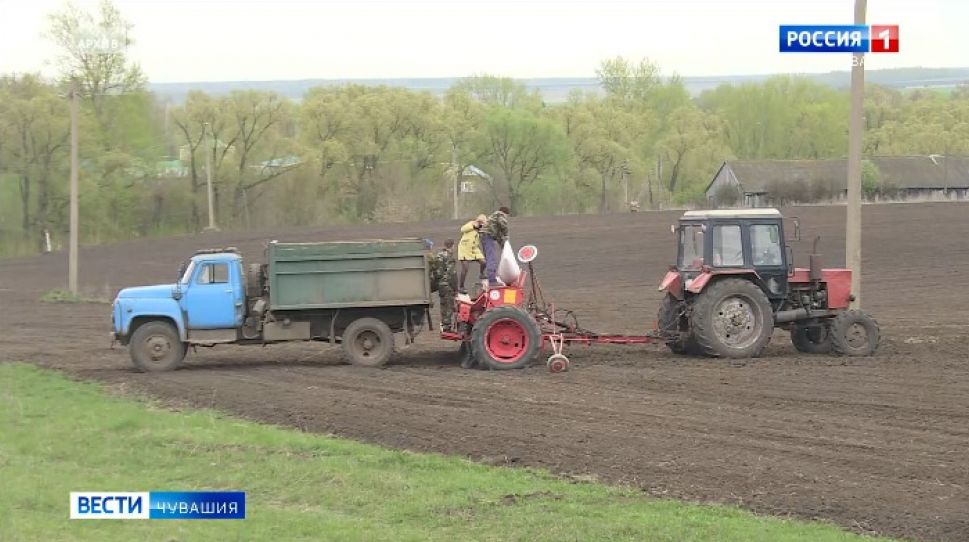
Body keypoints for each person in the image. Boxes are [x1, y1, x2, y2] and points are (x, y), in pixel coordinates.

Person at [480, 206, 510, 288]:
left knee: (488, 257)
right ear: (505, 213)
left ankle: (489, 276)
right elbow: (503, 225)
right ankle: (492, 280)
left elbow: (498, 236)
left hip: (484, 236)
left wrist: (503, 246)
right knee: (491, 258)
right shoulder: (500, 215)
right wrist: (506, 235)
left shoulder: (494, 217)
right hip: (488, 236)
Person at [457, 214, 487, 294]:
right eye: (481, 222)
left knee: (483, 262)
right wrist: (473, 226)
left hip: (474, 249)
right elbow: (462, 229)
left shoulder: (481, 228)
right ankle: (461, 286)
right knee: (465, 268)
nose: (481, 224)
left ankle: (482, 274)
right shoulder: (471, 224)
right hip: (465, 248)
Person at [433, 239, 457, 331]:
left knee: (443, 305)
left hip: (440, 284)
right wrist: (456, 289)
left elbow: (436, 272)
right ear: (452, 246)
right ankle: (447, 326)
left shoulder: (439, 255)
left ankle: (443, 325)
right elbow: (452, 273)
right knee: (449, 306)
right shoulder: (449, 257)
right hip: (447, 285)